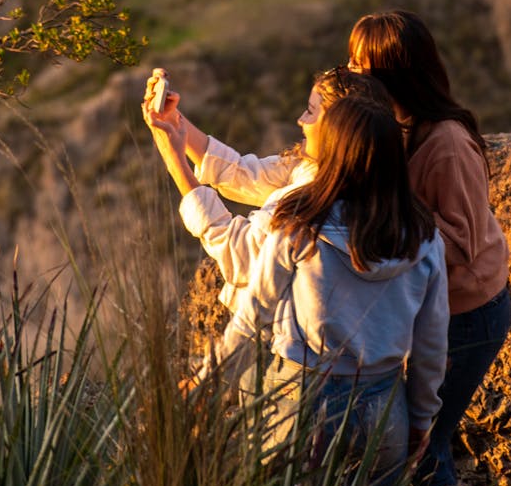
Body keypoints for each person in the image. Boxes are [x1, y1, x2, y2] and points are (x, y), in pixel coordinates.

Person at [143, 88, 450, 486]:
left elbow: (252, 316)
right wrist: (422, 417)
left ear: (334, 152)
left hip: (303, 398)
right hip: (385, 401)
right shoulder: (423, 234)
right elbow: (432, 340)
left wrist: (207, 381)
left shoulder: (298, 223)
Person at [347, 9, 511, 486]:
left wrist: (383, 212)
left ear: (396, 72)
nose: (354, 74)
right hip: (439, 312)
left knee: (424, 450)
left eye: (364, 65)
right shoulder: (401, 128)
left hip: (470, 314)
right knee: (415, 445)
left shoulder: (443, 143)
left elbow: (463, 241)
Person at [142, 65, 392, 316]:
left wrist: (174, 159)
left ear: (337, 131)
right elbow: (242, 173)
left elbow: (239, 252)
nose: (301, 120)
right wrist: (173, 121)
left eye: (310, 111)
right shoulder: (325, 170)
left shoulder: (312, 198)